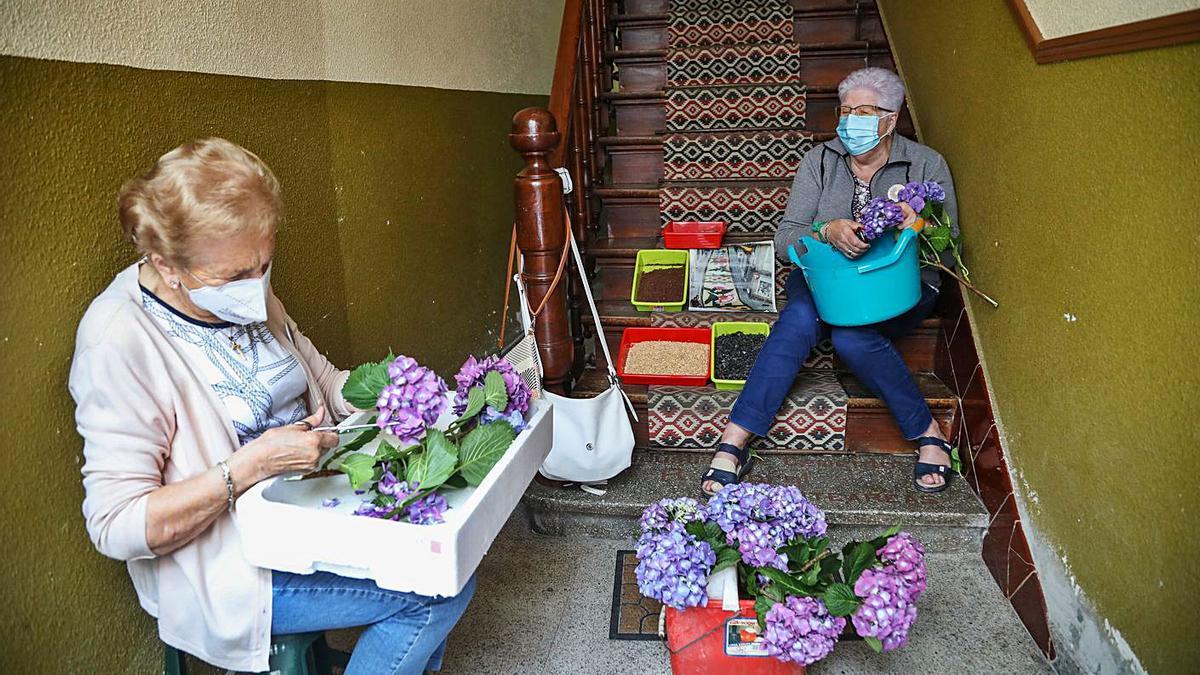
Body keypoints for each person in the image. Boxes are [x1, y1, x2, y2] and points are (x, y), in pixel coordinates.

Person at [70, 138, 474, 674]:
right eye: (233, 276)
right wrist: (251, 466)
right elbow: (116, 524)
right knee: (437, 591)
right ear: (167, 265)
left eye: (262, 264)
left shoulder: (251, 290)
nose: (254, 288)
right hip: (230, 565)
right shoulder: (117, 339)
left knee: (447, 547)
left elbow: (325, 381)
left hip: (312, 507)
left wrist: (393, 395)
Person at [700, 67, 960, 496]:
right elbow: (786, 239)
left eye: (863, 111)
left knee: (852, 338)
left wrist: (917, 228)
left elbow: (947, 251)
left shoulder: (925, 164)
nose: (850, 121)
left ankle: (926, 429)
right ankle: (735, 440)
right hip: (827, 278)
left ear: (891, 119)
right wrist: (825, 231)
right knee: (799, 320)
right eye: (845, 111)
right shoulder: (820, 159)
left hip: (896, 286)